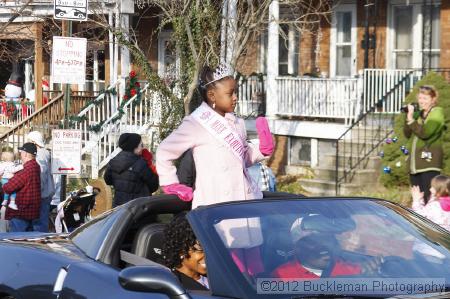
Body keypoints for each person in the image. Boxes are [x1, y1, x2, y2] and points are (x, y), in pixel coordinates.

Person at [156, 64, 275, 207]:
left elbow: (241, 159)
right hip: (216, 204)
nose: (235, 97)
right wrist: (170, 183)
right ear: (212, 95)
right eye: (230, 93)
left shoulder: (238, 123)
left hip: (245, 201)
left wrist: (261, 150)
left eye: (235, 92)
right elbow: (164, 151)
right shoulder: (196, 123)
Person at [272, 233, 381, 279]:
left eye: (328, 241)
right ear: (297, 247)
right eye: (314, 243)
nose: (324, 249)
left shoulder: (345, 268)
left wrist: (370, 271)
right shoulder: (281, 275)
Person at [404, 85, 445, 204]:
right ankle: (418, 221)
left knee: (429, 197)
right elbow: (406, 133)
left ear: (433, 99)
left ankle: (431, 222)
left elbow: (425, 133)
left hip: (429, 163)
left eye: (425, 98)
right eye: (420, 98)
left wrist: (412, 120)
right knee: (418, 199)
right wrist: (408, 117)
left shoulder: (437, 113)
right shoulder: (418, 114)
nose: (422, 101)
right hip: (414, 164)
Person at [104, 133, 159, 207]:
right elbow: (154, 185)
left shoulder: (113, 161)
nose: (143, 148)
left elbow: (108, 180)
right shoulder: (140, 163)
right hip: (138, 209)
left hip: (119, 209)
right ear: (134, 147)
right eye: (141, 145)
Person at [162, 213, 209, 290]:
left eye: (210, 248)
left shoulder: (216, 277)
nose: (209, 255)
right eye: (200, 249)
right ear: (181, 250)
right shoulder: (171, 285)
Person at [2, 143, 41, 232]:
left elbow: (8, 187)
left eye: (21, 152)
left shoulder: (26, 169)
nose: (20, 154)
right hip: (30, 211)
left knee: (17, 241)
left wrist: (5, 180)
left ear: (26, 154)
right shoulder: (35, 166)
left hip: (21, 212)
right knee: (28, 243)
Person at [26, 131, 55, 232]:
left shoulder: (40, 154)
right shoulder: (44, 153)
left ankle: (40, 245)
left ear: (34, 142)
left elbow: (41, 174)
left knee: (39, 225)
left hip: (42, 194)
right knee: (40, 222)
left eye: (28, 141)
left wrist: (36, 192)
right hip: (45, 193)